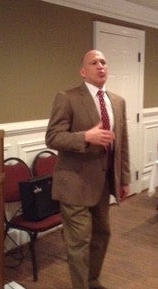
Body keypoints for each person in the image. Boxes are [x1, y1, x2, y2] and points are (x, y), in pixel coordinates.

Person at [46, 49, 130, 289]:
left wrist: (123, 179)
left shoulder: (117, 102)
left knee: (102, 235)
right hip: (74, 184)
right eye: (94, 62)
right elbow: (52, 137)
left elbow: (121, 143)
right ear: (83, 72)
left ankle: (92, 281)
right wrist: (86, 137)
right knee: (79, 242)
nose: (101, 66)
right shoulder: (67, 97)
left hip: (103, 185)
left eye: (104, 62)